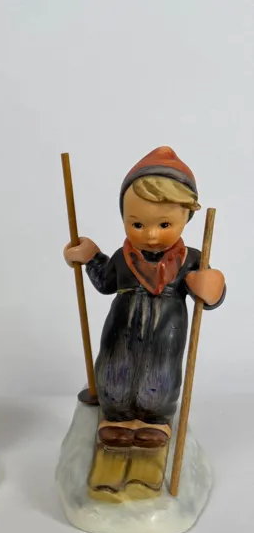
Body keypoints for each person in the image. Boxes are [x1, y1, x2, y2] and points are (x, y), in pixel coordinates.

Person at [64, 146, 226, 448]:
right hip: (121, 329)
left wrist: (211, 287)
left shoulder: (191, 260)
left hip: (167, 332)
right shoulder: (123, 257)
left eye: (164, 224)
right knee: (115, 369)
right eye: (137, 224)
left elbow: (209, 297)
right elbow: (106, 283)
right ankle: (116, 416)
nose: (151, 235)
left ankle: (154, 419)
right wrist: (91, 258)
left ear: (187, 217)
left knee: (160, 373)